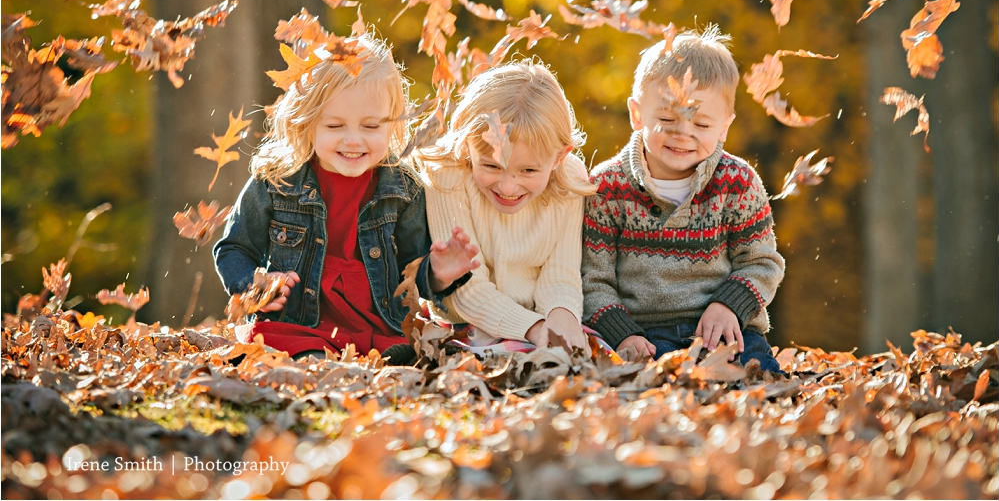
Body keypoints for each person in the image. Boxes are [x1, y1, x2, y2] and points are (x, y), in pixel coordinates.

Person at [213, 32, 479, 364]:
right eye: (336, 126)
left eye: (370, 127)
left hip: (378, 322)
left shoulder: (403, 187)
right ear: (308, 123)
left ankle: (382, 358)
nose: (353, 140)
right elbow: (234, 248)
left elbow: (412, 272)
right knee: (293, 352)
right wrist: (254, 286)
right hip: (299, 323)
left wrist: (439, 272)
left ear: (392, 125)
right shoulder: (277, 179)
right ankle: (315, 360)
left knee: (407, 354)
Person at [581, 26, 785, 372]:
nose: (683, 134)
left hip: (725, 329)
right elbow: (593, 279)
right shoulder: (607, 187)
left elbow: (762, 262)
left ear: (724, 127)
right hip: (646, 334)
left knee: (755, 374)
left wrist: (730, 305)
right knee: (661, 382)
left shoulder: (737, 183)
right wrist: (622, 334)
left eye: (702, 125)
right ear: (636, 114)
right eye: (666, 119)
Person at [418, 60, 597, 352]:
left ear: (559, 157)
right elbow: (466, 291)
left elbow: (560, 273)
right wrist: (535, 329)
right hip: (467, 326)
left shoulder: (569, 179)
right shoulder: (448, 178)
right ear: (467, 145)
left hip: (539, 319)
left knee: (586, 358)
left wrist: (562, 317)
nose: (508, 187)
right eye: (491, 165)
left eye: (528, 171)